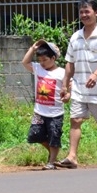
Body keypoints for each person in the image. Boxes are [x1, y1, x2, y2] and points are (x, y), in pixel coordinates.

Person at [58, 0, 97, 169]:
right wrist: (65, 85)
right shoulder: (75, 37)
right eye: (81, 12)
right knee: (75, 120)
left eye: (87, 11)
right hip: (79, 88)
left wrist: (96, 74)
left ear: (96, 12)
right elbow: (69, 62)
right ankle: (72, 157)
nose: (84, 15)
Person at [21, 39, 65, 170]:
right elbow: (25, 62)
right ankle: (53, 153)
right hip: (39, 111)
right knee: (35, 135)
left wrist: (68, 94)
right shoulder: (38, 69)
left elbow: (69, 86)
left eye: (45, 60)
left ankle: (51, 162)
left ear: (53, 58)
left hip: (56, 112)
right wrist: (33, 48)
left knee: (54, 136)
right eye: (40, 60)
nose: (42, 63)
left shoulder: (61, 72)